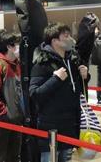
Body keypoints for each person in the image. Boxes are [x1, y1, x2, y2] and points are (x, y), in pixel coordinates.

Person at [30, 23, 88, 162]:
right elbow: (34, 94)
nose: (70, 39)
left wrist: (84, 77)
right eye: (66, 36)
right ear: (55, 41)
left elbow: (75, 90)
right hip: (51, 128)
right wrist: (55, 79)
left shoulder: (72, 61)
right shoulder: (42, 63)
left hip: (69, 126)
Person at [0, 31, 22, 162]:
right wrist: (3, 112)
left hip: (15, 118)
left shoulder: (16, 64)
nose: (19, 47)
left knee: (14, 155)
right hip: (1, 119)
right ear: (9, 46)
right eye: (17, 44)